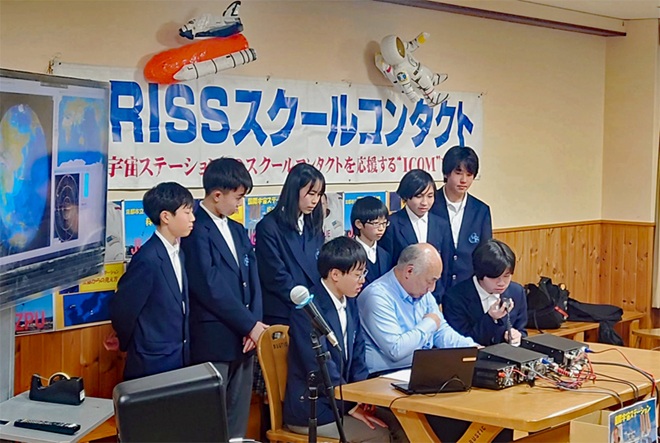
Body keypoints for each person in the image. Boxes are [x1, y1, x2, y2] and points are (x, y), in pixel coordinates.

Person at [358, 243, 513, 443]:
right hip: (385, 380)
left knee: (488, 411)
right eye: (430, 281)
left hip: (422, 375)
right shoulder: (377, 296)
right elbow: (396, 349)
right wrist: (429, 323)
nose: (432, 288)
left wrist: (473, 348)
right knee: (450, 420)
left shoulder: (422, 293)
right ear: (409, 271)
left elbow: (443, 332)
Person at [284, 237, 405, 442]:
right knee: (380, 435)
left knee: (403, 423)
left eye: (364, 273)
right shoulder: (308, 311)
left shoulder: (350, 302)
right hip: (316, 408)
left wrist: (363, 397)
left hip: (343, 399)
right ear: (335, 274)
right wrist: (350, 406)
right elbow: (319, 368)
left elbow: (358, 354)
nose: (363, 280)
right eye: (358, 274)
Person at [180, 157, 267, 439]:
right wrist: (248, 324)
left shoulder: (238, 230)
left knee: (238, 418)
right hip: (214, 338)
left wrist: (254, 324)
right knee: (211, 420)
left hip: (245, 338)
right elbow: (209, 285)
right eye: (238, 197)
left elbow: (253, 278)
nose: (240, 204)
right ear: (217, 195)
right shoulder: (195, 230)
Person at [110, 182, 195, 381]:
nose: (192, 218)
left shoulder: (179, 252)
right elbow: (123, 310)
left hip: (179, 355)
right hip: (152, 361)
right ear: (166, 217)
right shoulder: (147, 259)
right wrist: (127, 342)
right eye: (187, 212)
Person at [255, 163, 326, 325]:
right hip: (283, 313)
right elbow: (275, 275)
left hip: (314, 311)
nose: (315, 200)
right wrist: (305, 301)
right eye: (311, 194)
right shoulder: (269, 226)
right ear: (294, 190)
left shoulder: (313, 225)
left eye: (319, 195)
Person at [380, 169, 452, 303]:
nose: (425, 202)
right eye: (419, 196)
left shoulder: (441, 224)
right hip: (401, 296)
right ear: (406, 196)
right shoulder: (392, 224)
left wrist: (439, 294)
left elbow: (447, 263)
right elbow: (388, 265)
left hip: (433, 296)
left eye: (430, 196)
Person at [443, 239, 528, 346]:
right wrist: (490, 318)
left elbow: (522, 330)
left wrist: (517, 336)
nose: (501, 283)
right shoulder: (454, 298)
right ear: (480, 274)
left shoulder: (517, 292)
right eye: (495, 277)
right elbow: (461, 342)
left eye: (506, 276)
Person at [430, 146, 492, 289]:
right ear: (446, 173)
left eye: (469, 175)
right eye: (458, 173)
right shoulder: (430, 204)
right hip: (434, 285)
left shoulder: (481, 210)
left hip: (467, 288)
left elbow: (484, 254)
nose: (464, 180)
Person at [350, 196, 393, 287]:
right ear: (359, 224)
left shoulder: (385, 255)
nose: (381, 228)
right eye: (375, 223)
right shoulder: (348, 253)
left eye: (384, 223)